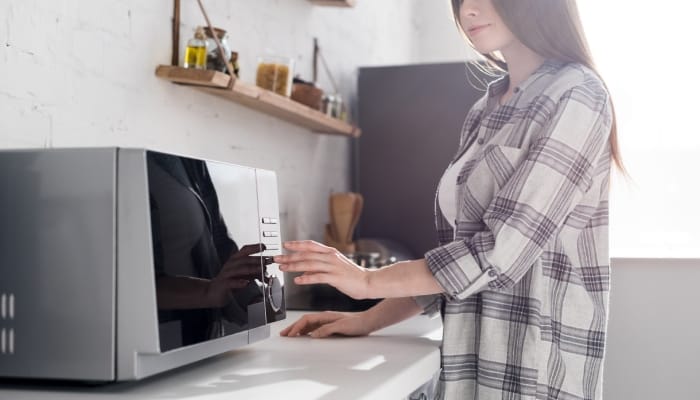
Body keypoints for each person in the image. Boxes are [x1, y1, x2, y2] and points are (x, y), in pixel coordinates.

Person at [274, 0, 621, 399]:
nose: (467, 10)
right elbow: (456, 260)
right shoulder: (485, 109)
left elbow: (498, 253)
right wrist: (368, 320)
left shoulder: (578, 94)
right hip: (468, 353)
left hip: (531, 361)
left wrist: (367, 280)